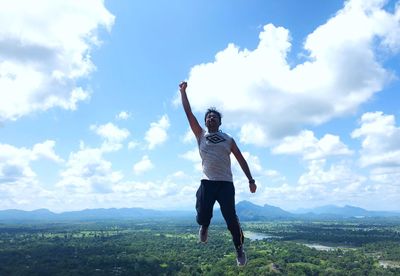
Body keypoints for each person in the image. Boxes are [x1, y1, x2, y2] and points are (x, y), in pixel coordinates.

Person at [179, 81, 257, 266]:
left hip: (226, 184)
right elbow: (188, 114)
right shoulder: (200, 135)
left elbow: (241, 159)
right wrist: (183, 92)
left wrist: (251, 180)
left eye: (215, 117)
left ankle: (239, 248)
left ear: (220, 122)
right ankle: (204, 226)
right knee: (202, 211)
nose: (211, 118)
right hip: (208, 182)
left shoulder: (228, 139)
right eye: (209, 117)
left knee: (231, 219)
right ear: (205, 121)